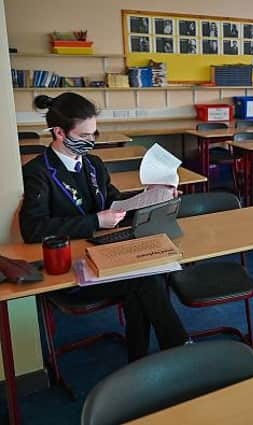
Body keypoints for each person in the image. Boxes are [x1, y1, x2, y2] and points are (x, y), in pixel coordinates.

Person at [20, 93, 188, 362]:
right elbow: (34, 228)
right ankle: (179, 349)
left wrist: (153, 196)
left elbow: (113, 201)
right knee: (145, 279)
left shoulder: (93, 164)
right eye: (85, 135)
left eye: (94, 133)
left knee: (147, 276)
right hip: (71, 266)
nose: (92, 141)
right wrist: (96, 221)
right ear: (60, 133)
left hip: (105, 252)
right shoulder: (38, 172)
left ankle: (141, 359)